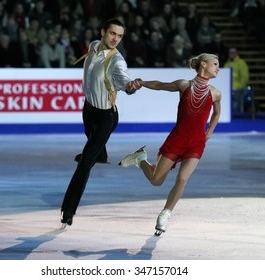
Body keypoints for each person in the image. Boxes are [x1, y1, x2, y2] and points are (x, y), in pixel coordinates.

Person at [119, 53, 221, 235]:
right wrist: (142, 83)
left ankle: (166, 213)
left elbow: (216, 113)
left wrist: (209, 133)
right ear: (203, 65)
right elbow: (159, 85)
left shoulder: (215, 93)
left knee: (182, 178)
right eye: (215, 64)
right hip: (178, 139)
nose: (218, 68)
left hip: (196, 143)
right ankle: (141, 159)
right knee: (156, 181)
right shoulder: (184, 85)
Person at [60, 18, 142, 226]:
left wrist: (130, 87)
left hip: (106, 118)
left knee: (85, 164)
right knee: (94, 150)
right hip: (88, 111)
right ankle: (101, 153)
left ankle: (68, 210)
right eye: (112, 33)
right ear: (103, 32)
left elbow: (124, 81)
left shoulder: (117, 61)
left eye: (120, 36)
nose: (116, 39)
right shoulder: (94, 46)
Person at [224, 47, 249, 115]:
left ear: (237, 53)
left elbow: (244, 77)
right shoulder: (227, 64)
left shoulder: (241, 63)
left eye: (233, 52)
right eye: (230, 52)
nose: (231, 54)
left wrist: (239, 88)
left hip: (237, 89)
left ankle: (237, 114)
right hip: (227, 89)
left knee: (235, 102)